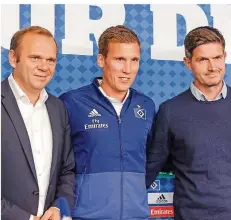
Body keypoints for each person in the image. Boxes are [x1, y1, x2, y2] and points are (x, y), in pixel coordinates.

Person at [60, 25, 156, 220]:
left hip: (136, 216)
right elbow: (57, 165)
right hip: (86, 216)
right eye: (120, 59)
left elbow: (152, 158)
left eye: (134, 60)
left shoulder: (146, 105)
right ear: (101, 60)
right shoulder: (72, 102)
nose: (127, 70)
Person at [146, 26, 231, 220]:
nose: (212, 67)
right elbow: (151, 168)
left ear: (225, 56)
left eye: (217, 58)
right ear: (188, 63)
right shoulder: (170, 111)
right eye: (203, 60)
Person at [1, 26, 76, 220]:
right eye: (35, 58)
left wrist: (59, 207)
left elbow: (67, 170)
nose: (44, 67)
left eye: (50, 60)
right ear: (12, 58)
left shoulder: (58, 108)